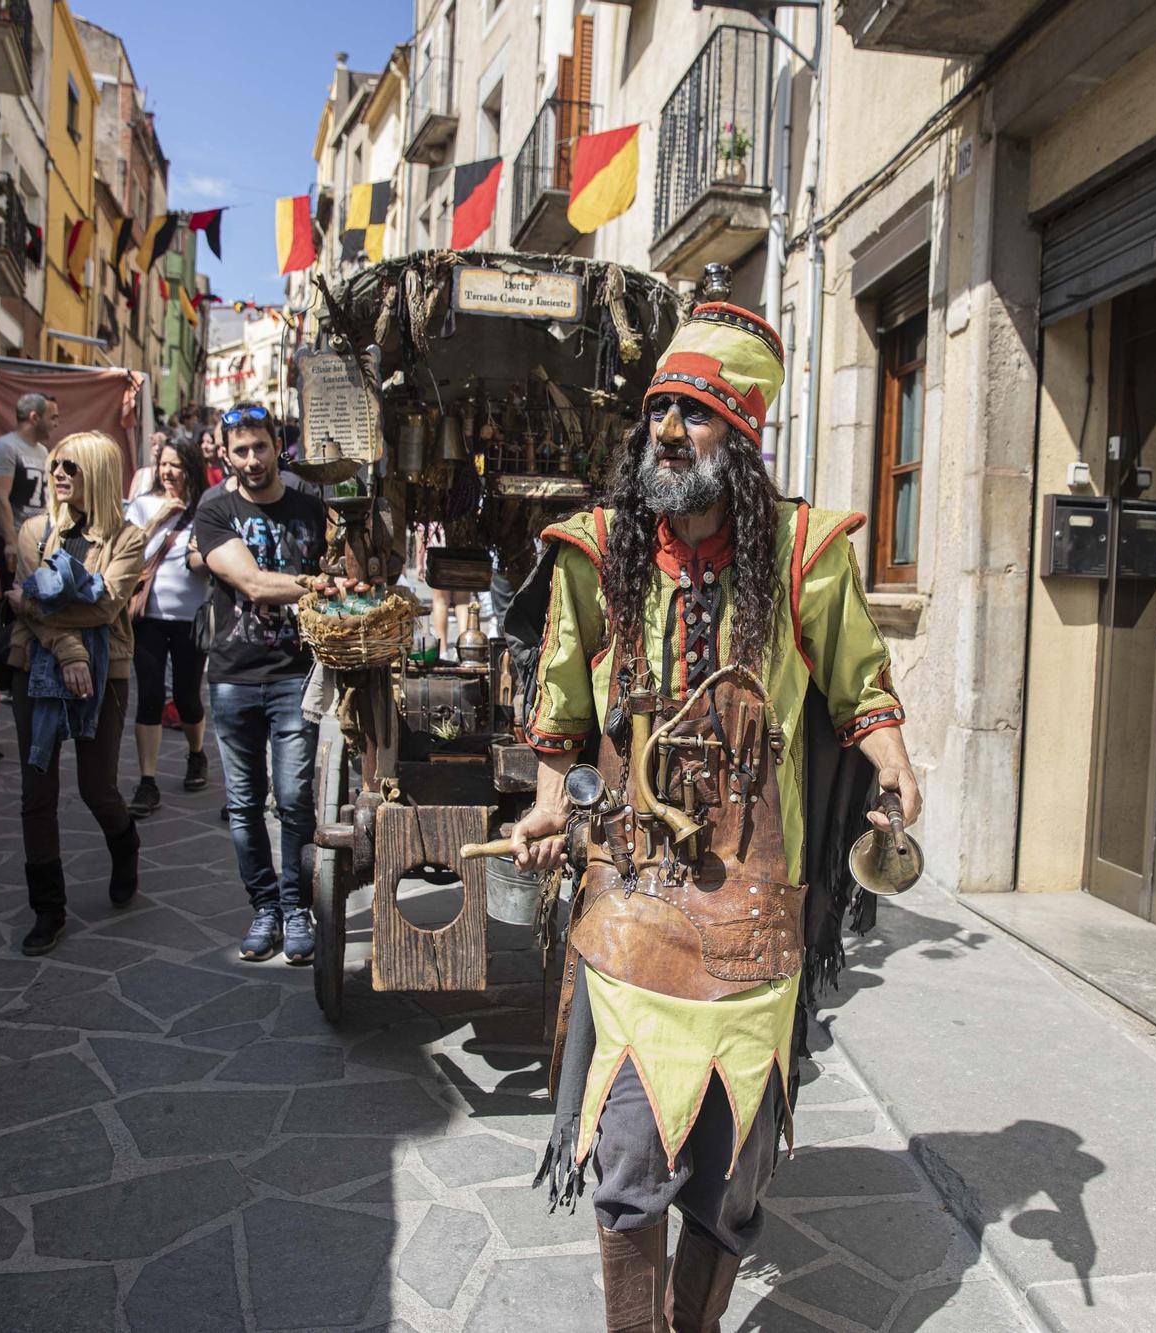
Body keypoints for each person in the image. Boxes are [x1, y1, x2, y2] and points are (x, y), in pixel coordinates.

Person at [506, 299, 918, 1329]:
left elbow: (856, 689)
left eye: (692, 415)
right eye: (658, 411)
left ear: (737, 440)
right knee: (629, 1167)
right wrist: (552, 800)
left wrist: (895, 769)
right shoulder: (596, 549)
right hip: (633, 895)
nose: (666, 432)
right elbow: (557, 704)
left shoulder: (802, 555)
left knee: (729, 1184)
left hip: (757, 909)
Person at [194, 402, 336, 965]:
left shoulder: (309, 507)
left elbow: (345, 565)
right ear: (226, 455)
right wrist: (315, 584)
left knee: (297, 799)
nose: (252, 459)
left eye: (261, 447)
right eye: (241, 450)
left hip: (292, 678)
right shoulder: (215, 510)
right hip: (232, 676)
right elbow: (251, 583)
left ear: (279, 446)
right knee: (244, 803)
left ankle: (296, 907)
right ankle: (265, 908)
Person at [6, 432, 146, 955]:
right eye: (55, 464)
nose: (59, 473)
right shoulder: (34, 532)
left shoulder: (128, 539)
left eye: (73, 466)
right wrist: (69, 650)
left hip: (107, 673)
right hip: (36, 667)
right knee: (36, 795)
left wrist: (37, 606)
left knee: (97, 788)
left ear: (101, 474)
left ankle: (124, 843)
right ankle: (48, 909)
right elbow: (28, 610)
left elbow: (105, 608)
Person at [125, 436, 213, 816]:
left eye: (176, 464)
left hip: (190, 621)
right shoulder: (144, 506)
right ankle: (148, 782)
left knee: (188, 697)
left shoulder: (205, 509)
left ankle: (196, 754)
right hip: (148, 619)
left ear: (191, 467)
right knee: (148, 696)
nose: (168, 471)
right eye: (164, 464)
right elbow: (125, 553)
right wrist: (159, 519)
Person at [0, 392, 59, 594]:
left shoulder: (43, 451)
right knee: (13, 605)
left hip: (36, 540)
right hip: (15, 538)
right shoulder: (6, 448)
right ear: (34, 418)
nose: (56, 424)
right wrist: (10, 542)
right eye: (52, 417)